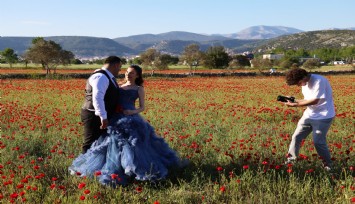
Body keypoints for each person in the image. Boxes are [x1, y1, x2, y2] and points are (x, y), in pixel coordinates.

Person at [69, 65, 186, 186]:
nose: (128, 75)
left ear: (137, 75)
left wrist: (132, 112)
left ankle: (133, 170)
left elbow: (142, 107)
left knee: (133, 145)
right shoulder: (118, 85)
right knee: (112, 144)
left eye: (131, 73)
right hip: (115, 117)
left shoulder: (139, 89)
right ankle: (115, 169)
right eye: (126, 72)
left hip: (131, 119)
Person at [283, 68, 335, 170]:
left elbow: (315, 101)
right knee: (296, 137)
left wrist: (295, 105)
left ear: (303, 77)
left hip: (323, 116)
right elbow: (307, 100)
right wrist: (294, 100)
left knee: (318, 142)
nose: (298, 85)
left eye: (298, 83)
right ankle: (290, 161)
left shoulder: (319, 81)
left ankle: (328, 165)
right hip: (309, 115)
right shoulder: (305, 83)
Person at [81, 56, 122, 153]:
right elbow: (97, 98)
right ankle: (82, 167)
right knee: (90, 142)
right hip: (94, 115)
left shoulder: (106, 76)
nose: (120, 70)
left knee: (100, 142)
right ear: (116, 65)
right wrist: (103, 117)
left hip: (99, 114)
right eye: (120, 67)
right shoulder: (101, 77)